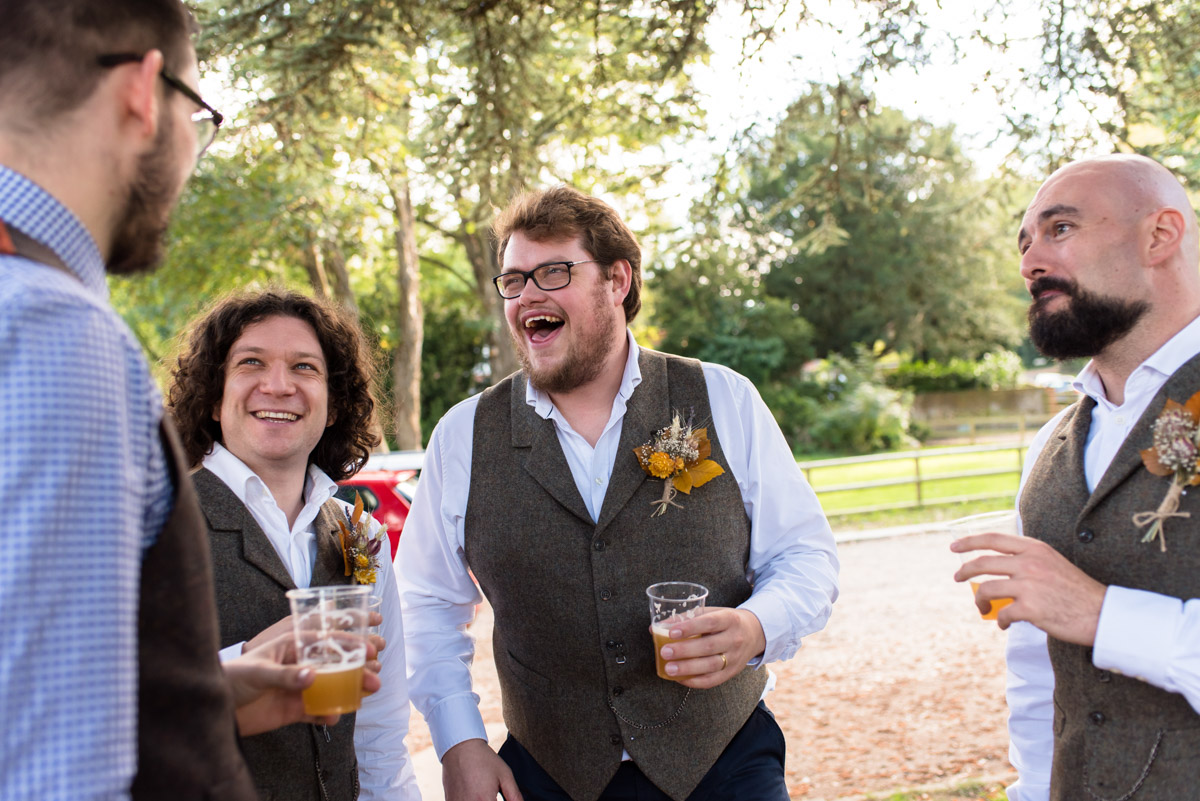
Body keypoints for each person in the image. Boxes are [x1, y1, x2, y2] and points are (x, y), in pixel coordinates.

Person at [0, 1, 352, 798]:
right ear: (141, 90)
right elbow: (53, 769)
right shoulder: (56, 330)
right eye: (200, 114)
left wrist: (202, 697)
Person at [398, 185, 840, 801]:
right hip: (548, 776)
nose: (529, 295)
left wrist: (755, 626)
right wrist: (459, 741)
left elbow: (807, 557)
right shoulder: (462, 436)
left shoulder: (724, 398)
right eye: (514, 280)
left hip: (726, 762)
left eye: (553, 272)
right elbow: (423, 602)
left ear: (617, 280)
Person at [953, 154, 1200, 801]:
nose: (1031, 261)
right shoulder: (1050, 447)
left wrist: (1102, 614)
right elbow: (1038, 669)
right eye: (1025, 242)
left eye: (1060, 228)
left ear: (1160, 235)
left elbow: (1079, 615)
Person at [167, 288, 421, 801]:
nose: (279, 385)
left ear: (333, 406)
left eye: (305, 367)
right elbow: (95, 705)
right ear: (214, 398)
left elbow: (380, 732)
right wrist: (247, 657)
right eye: (251, 362)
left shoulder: (364, 536)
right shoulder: (150, 527)